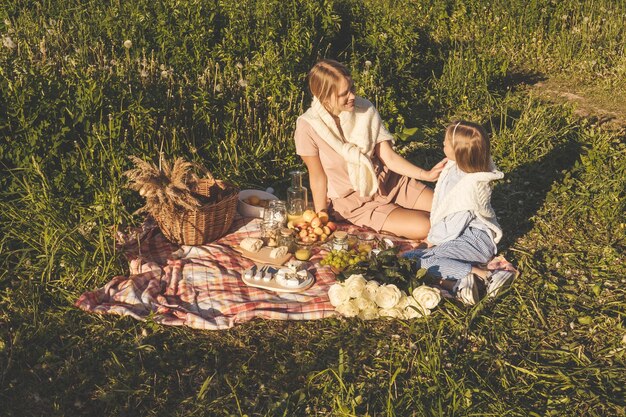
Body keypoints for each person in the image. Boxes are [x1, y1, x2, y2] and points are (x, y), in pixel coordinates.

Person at [294, 59, 446, 240]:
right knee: (427, 226)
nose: (352, 96)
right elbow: (317, 176)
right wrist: (321, 218)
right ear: (323, 96)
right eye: (344, 94)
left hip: (389, 182)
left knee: (451, 208)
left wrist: (426, 174)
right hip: (355, 202)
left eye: (352, 88)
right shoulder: (308, 126)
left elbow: (388, 157)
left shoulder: (364, 109)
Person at [402, 121, 516, 305]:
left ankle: (487, 275)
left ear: (458, 151)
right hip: (464, 237)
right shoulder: (461, 166)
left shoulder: (467, 190)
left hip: (476, 240)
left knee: (422, 261)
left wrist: (427, 243)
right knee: (408, 259)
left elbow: (452, 227)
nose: (443, 144)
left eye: (447, 142)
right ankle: (461, 285)